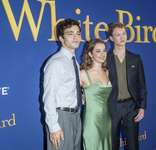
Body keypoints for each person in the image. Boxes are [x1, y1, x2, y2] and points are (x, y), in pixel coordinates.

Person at [43, 18, 82, 150]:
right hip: (61, 118)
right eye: (70, 33)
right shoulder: (56, 63)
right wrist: (53, 126)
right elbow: (49, 96)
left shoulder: (75, 63)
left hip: (76, 116)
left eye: (78, 33)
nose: (75, 37)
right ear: (61, 38)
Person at [107, 22, 147, 150]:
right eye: (117, 35)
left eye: (123, 33)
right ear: (111, 38)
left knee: (133, 145)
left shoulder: (135, 58)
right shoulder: (105, 59)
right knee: (112, 145)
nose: (122, 37)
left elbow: (142, 85)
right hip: (112, 107)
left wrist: (142, 107)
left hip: (131, 107)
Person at [80, 38, 112, 150]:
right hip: (92, 121)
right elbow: (70, 94)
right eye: (98, 51)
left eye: (104, 50)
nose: (102, 54)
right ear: (90, 54)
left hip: (107, 120)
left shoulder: (107, 72)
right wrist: (82, 97)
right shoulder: (83, 74)